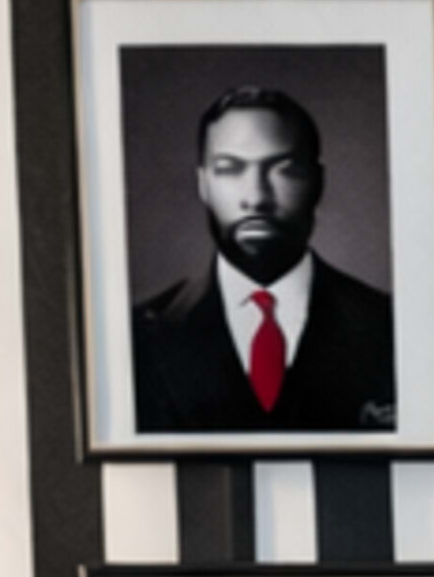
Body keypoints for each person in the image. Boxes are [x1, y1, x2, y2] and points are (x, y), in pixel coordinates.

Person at [129, 84, 398, 436]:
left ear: (317, 182)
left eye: (283, 169)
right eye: (229, 169)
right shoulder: (139, 338)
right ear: (203, 184)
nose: (256, 198)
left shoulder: (392, 328)